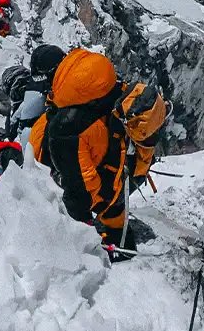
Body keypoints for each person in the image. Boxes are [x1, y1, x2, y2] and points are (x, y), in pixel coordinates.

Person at [28, 48, 168, 254]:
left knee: (73, 185)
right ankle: (119, 235)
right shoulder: (104, 85)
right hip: (129, 169)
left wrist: (80, 228)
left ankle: (109, 258)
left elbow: (80, 186)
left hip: (108, 183)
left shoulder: (64, 127)